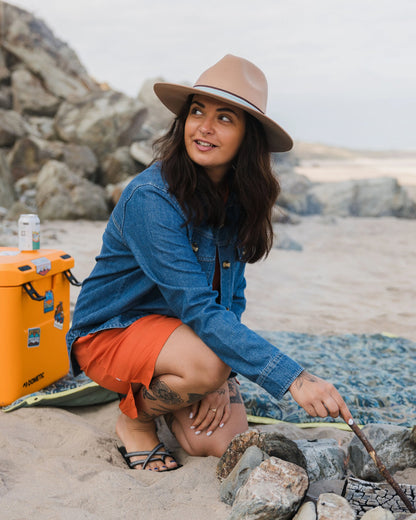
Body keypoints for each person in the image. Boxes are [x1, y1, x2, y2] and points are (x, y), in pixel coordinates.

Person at [66, 54, 352, 472]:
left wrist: (223, 376)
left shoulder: (239, 198)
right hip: (113, 331)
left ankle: (190, 375)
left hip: (183, 337)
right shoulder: (151, 199)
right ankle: (135, 419)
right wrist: (293, 378)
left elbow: (231, 296)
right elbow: (199, 307)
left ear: (248, 137)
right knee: (206, 366)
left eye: (224, 118)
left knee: (217, 442)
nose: (204, 126)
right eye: (198, 111)